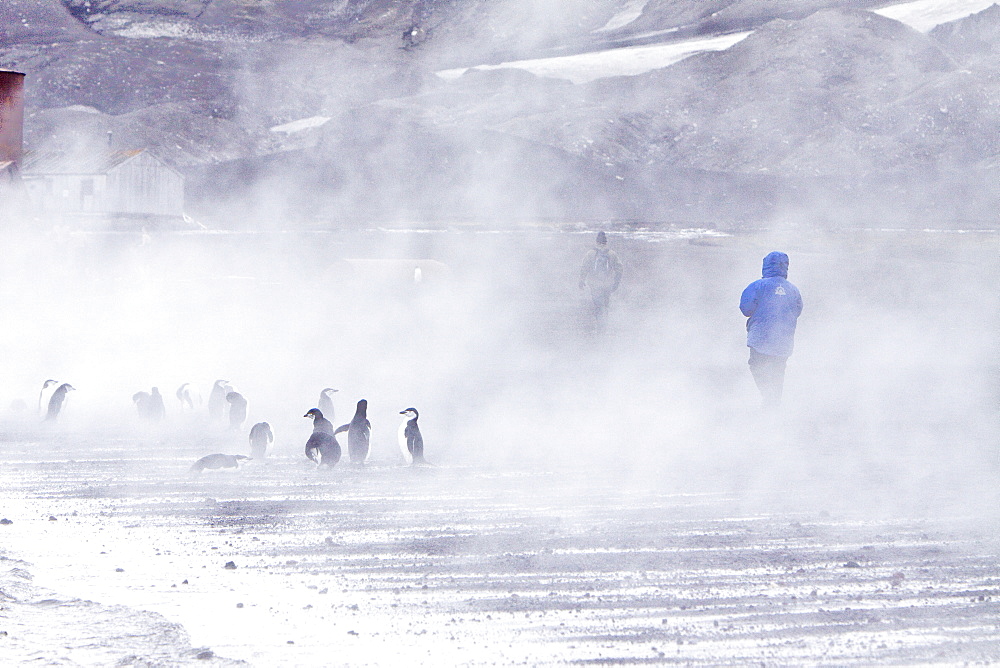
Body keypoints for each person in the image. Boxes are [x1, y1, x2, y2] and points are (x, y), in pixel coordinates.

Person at [740, 251, 802, 408]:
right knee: (778, 370)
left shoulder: (757, 286)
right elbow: (797, 310)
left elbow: (746, 308)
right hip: (784, 341)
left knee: (757, 365)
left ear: (766, 265)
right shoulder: (793, 290)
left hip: (760, 338)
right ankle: (774, 406)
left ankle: (769, 399)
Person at [579, 231, 623, 326]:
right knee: (606, 304)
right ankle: (605, 323)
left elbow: (584, 268)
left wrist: (581, 280)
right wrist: (616, 283)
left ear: (596, 241)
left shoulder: (590, 253)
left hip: (594, 284)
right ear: (606, 241)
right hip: (607, 284)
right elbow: (619, 269)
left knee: (598, 305)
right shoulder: (612, 254)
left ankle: (600, 324)